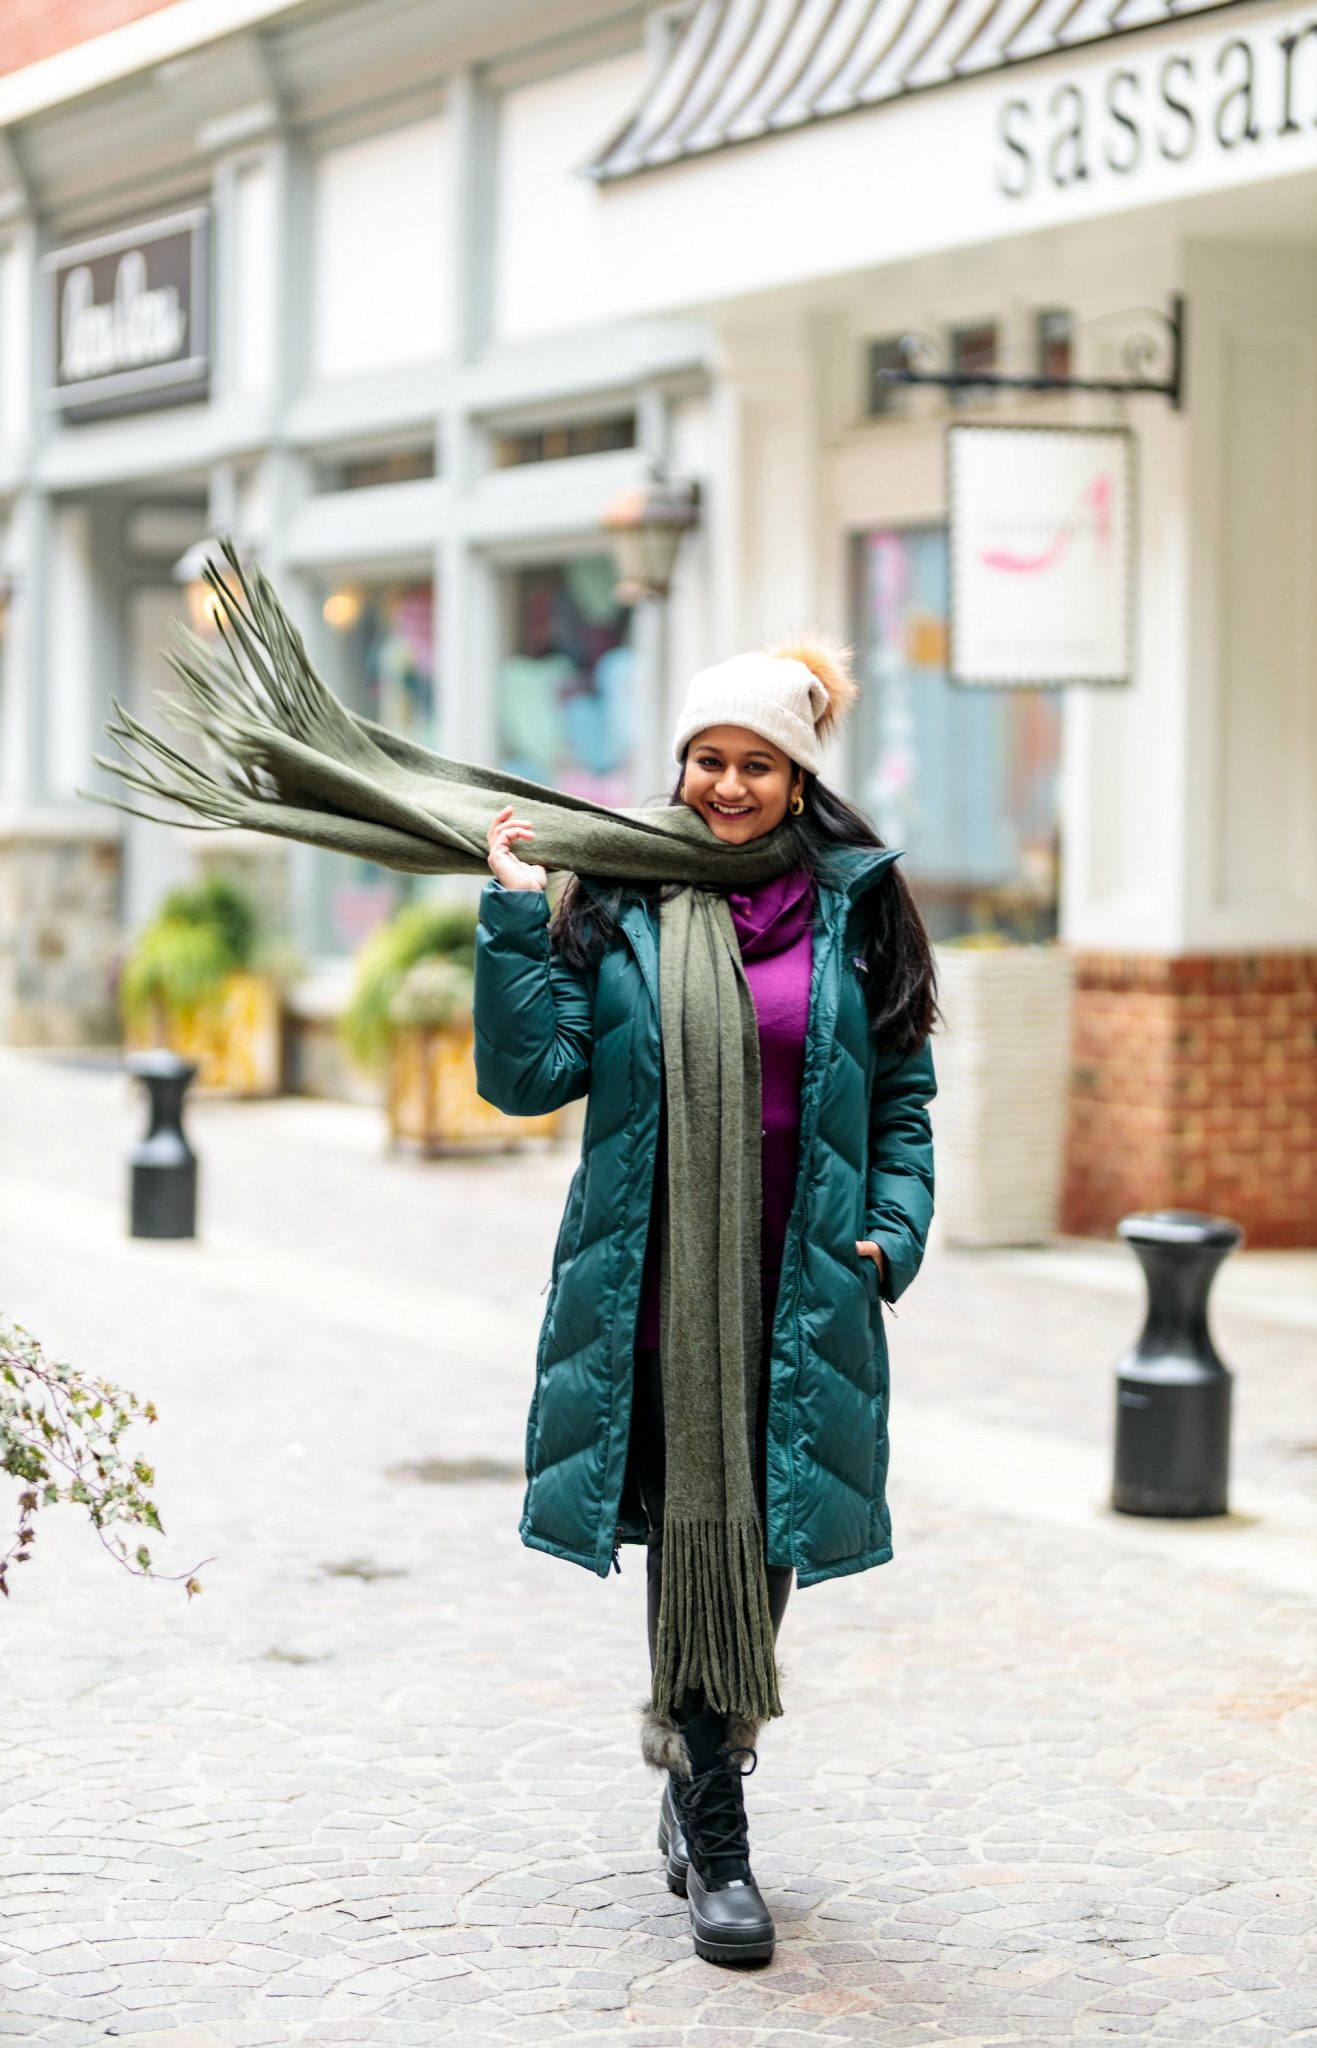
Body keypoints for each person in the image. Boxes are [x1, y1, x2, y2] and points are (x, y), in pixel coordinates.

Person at [473, 636, 938, 1968]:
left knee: (765, 1537)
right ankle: (720, 1834)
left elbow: (901, 1096)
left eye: (755, 764)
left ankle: (695, 1773)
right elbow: (532, 1075)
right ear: (676, 767)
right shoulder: (615, 900)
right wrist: (513, 912)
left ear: (797, 781)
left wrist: (890, 1231)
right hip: (661, 1279)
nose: (725, 785)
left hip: (802, 1279)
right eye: (706, 759)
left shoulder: (860, 906)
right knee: (694, 1526)